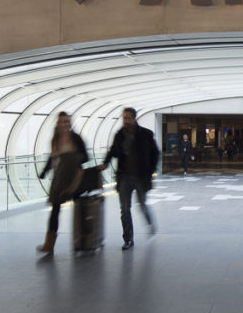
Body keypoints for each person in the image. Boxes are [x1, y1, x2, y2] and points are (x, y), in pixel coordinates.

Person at [101, 107, 160, 251]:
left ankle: (149, 222)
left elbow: (155, 153)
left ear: (134, 118)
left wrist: (151, 170)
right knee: (125, 209)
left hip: (140, 177)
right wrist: (106, 162)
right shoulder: (120, 134)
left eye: (128, 118)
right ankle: (128, 239)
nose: (125, 121)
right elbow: (113, 150)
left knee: (141, 205)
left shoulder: (146, 134)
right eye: (124, 118)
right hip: (124, 177)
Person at [36, 112, 89, 255]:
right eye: (62, 121)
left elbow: (85, 157)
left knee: (79, 211)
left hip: (75, 179)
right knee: (55, 211)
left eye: (67, 121)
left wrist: (73, 159)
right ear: (58, 124)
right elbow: (53, 158)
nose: (65, 124)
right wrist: (45, 171)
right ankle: (49, 244)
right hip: (60, 179)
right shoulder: (55, 139)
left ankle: (83, 241)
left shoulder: (76, 138)